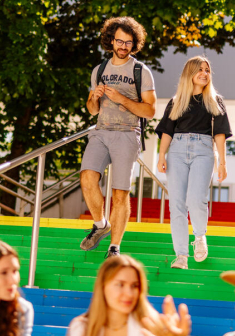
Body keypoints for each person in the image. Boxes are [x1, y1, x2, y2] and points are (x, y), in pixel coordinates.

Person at [80, 16, 157, 259]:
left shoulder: (140, 71)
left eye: (128, 42)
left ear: (134, 44)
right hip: (101, 131)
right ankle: (100, 224)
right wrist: (95, 97)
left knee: (120, 193)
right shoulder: (99, 70)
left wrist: (122, 99)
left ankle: (114, 248)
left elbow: (150, 110)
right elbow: (92, 109)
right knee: (87, 178)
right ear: (111, 40)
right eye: (119, 41)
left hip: (126, 133)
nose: (123, 46)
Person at [155, 56, 232, 269]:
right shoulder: (176, 101)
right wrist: (161, 156)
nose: (204, 73)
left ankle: (199, 237)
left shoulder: (215, 100)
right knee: (176, 204)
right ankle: (181, 255)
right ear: (189, 73)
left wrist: (223, 163)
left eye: (207, 70)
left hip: (203, 150)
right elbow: (167, 133)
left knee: (197, 199)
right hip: (177, 151)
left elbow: (220, 134)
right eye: (199, 69)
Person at [66, 255, 162, 336]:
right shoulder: (82, 326)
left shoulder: (145, 319)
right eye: (120, 284)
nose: (129, 294)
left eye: (134, 286)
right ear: (103, 286)